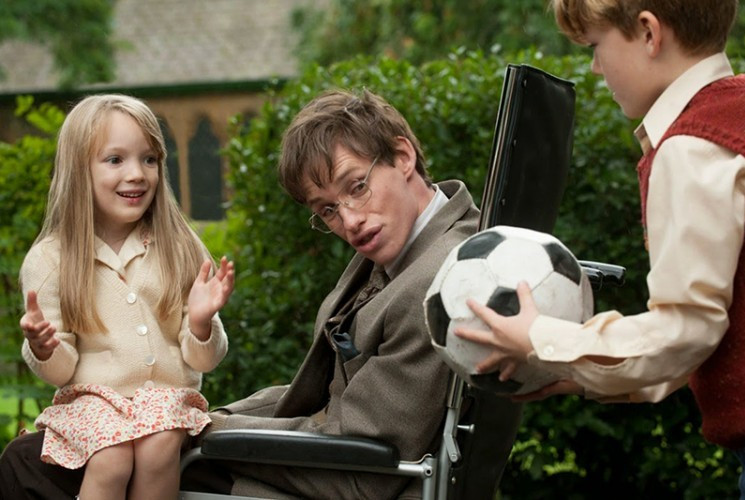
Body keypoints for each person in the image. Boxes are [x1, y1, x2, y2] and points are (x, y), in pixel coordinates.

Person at [0, 88, 522, 499]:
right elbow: (332, 400)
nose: (349, 221)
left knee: (28, 465)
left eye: (356, 186)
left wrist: (199, 429)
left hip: (340, 479)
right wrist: (182, 417)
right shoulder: (420, 242)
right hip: (328, 452)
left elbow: (368, 460)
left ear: (403, 156)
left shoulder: (435, 281)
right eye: (327, 210)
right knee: (70, 450)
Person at [454, 0, 745, 494]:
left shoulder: (691, 147)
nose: (595, 67)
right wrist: (587, 371)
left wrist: (541, 338)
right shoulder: (739, 111)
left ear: (649, 33)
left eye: (596, 46)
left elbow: (688, 329)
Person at [2, 94, 234, 499]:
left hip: (164, 400)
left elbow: (204, 360)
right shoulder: (51, 260)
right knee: (110, 457)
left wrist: (199, 323)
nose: (137, 174)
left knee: (158, 445)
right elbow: (59, 371)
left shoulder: (180, 246)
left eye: (149, 159)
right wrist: (43, 347)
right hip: (92, 402)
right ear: (79, 170)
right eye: (115, 160)